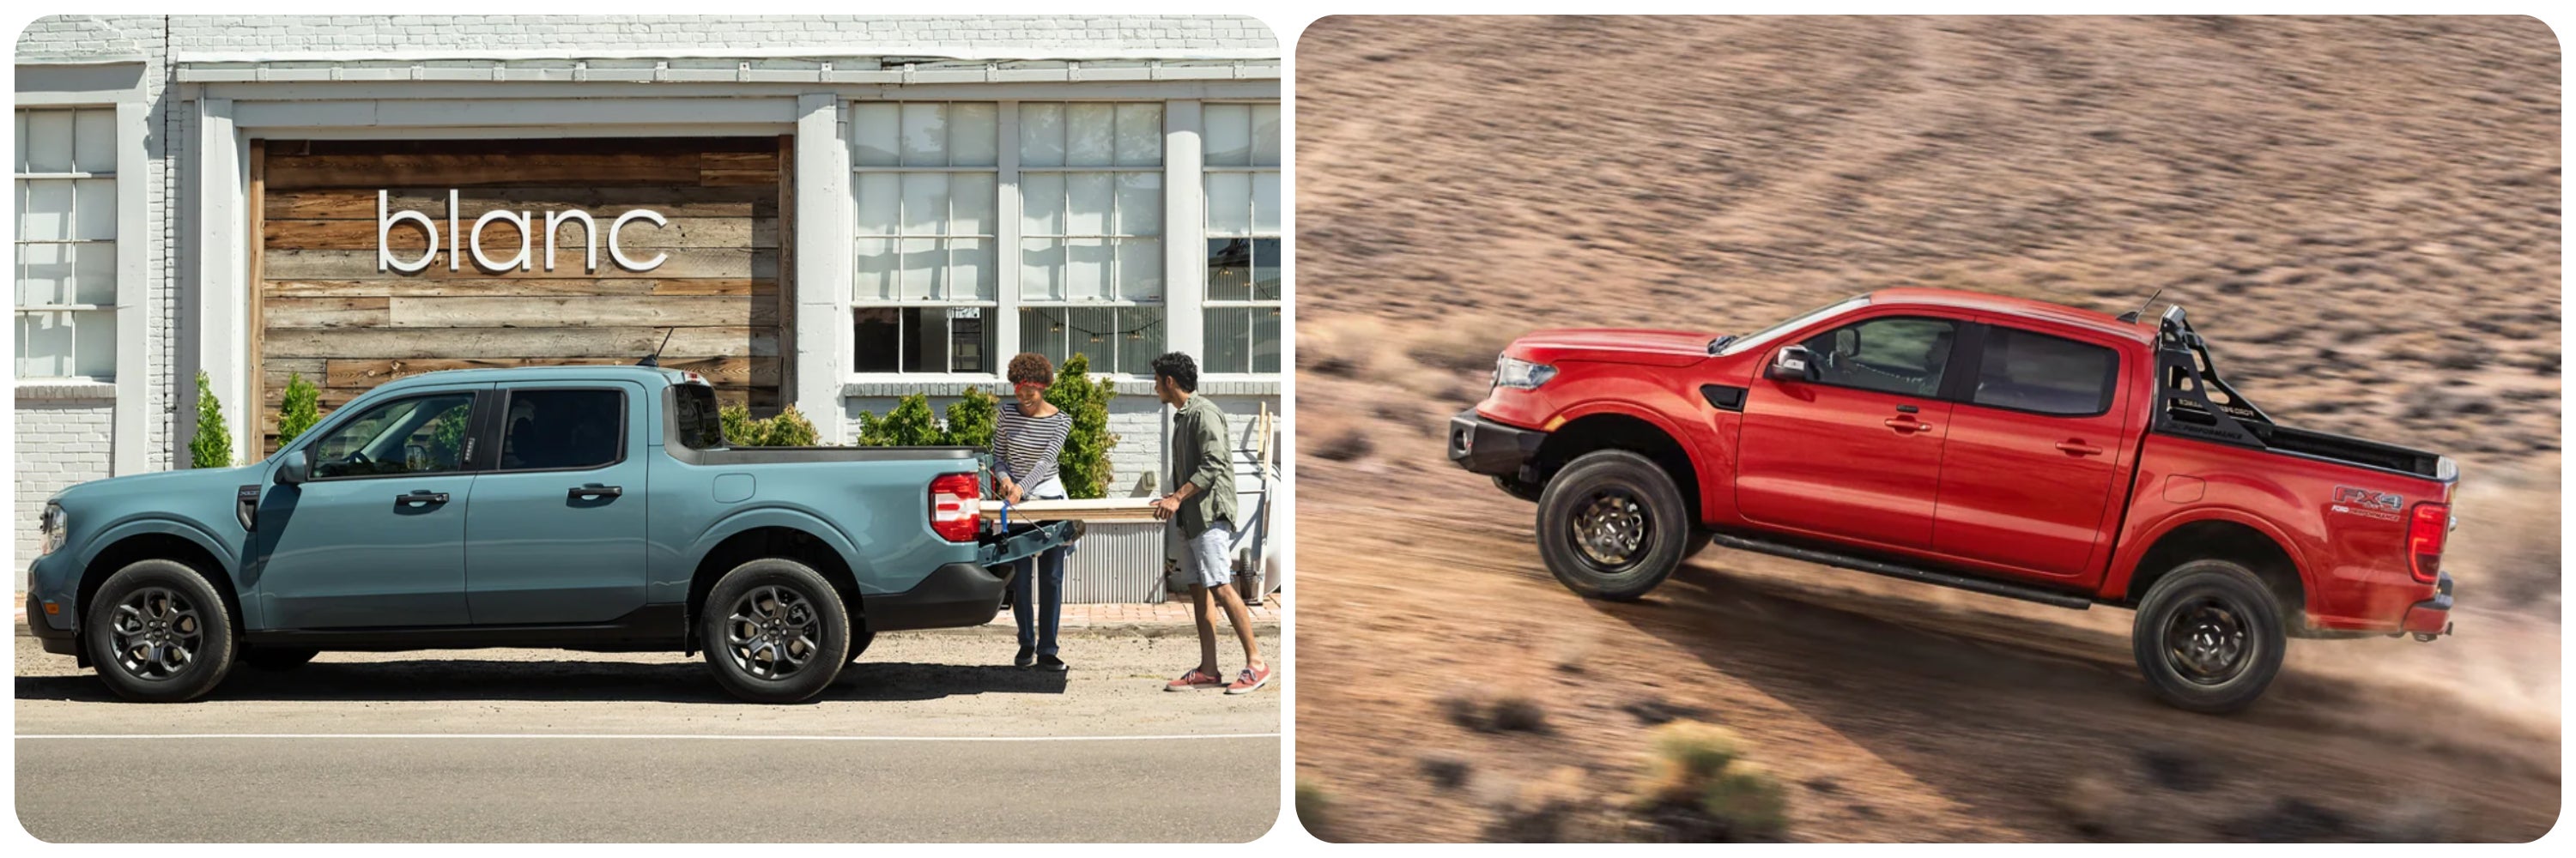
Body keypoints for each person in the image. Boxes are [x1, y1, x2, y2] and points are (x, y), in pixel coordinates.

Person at [1150, 351, 1271, 694]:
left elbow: (1214, 463)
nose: (1154, 386)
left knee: (1220, 585)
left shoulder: (1203, 413)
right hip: (1191, 516)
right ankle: (1208, 669)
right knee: (1199, 590)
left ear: (1169, 381)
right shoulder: (1182, 417)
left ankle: (1257, 663)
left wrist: (1176, 497)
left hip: (1209, 514)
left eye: (1157, 380)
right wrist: (1172, 499)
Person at [994, 352, 1076, 671]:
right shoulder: (1007, 414)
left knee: (1052, 578)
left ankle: (1049, 649)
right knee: (1022, 579)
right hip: (1016, 504)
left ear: (1043, 388)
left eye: (1030, 392)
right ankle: (1026, 644)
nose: (1024, 398)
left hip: (1049, 499)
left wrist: (1020, 488)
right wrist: (1005, 480)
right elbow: (999, 456)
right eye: (1018, 390)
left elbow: (1045, 463)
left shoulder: (1061, 420)